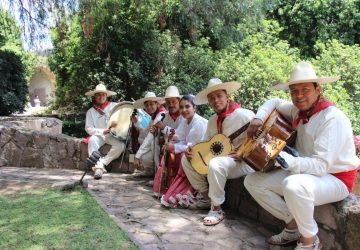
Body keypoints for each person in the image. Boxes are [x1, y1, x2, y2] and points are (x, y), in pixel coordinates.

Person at [244, 62, 360, 250]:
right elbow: (273, 101)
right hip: (304, 172)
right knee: (252, 181)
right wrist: (258, 118)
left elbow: (321, 166)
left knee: (293, 185)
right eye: (293, 91)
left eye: (305, 89)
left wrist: (286, 161)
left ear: (318, 90)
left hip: (335, 178)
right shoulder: (297, 110)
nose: (298, 96)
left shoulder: (332, 118)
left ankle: (309, 240)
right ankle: (292, 225)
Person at [181, 78, 255, 225]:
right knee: (186, 159)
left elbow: (262, 136)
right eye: (212, 98)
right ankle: (206, 199)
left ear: (227, 96)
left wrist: (243, 150)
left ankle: (217, 208)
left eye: (219, 96)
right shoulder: (213, 119)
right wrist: (193, 150)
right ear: (208, 101)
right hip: (221, 160)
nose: (216, 100)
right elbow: (205, 141)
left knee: (215, 163)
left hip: (242, 162)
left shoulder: (244, 115)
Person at [152, 94, 208, 208]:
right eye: (182, 107)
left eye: (187, 107)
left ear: (194, 108)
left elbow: (193, 146)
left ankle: (193, 193)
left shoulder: (198, 123)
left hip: (202, 155)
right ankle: (163, 187)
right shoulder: (185, 121)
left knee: (183, 157)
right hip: (193, 152)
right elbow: (180, 137)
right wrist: (171, 142)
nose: (184, 110)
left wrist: (174, 147)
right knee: (171, 154)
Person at [84, 83, 125, 180]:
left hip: (112, 135)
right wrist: (102, 131)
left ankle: (102, 164)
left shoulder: (114, 106)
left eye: (103, 94)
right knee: (92, 141)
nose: (101, 97)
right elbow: (88, 128)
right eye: (98, 95)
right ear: (95, 96)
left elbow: (125, 112)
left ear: (106, 95)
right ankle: (98, 168)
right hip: (99, 135)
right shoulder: (90, 111)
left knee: (121, 146)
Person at [133, 92, 166, 177]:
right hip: (158, 145)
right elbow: (145, 132)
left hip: (163, 146)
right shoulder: (154, 116)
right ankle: (150, 172)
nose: (149, 107)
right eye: (147, 105)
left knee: (152, 145)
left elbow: (149, 137)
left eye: (151, 104)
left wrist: (137, 156)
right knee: (144, 156)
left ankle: (159, 176)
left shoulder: (161, 115)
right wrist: (136, 122)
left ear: (157, 103)